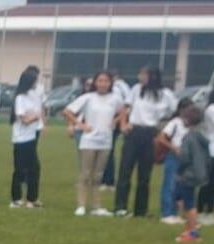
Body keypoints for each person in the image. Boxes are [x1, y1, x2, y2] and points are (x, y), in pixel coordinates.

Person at [114, 66, 176, 219]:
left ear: (152, 76)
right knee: (125, 170)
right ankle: (120, 207)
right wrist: (123, 124)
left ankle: (140, 210)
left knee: (145, 174)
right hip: (134, 131)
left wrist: (163, 128)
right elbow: (125, 107)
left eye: (143, 74)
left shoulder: (165, 94)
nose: (140, 77)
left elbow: (175, 111)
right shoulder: (136, 89)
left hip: (150, 133)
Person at [64, 71, 125, 216]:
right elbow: (67, 111)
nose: (103, 84)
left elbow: (124, 111)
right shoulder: (88, 97)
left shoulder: (115, 98)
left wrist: (115, 122)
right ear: (95, 83)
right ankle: (81, 205)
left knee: (98, 175)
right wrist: (80, 125)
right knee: (85, 173)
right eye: (100, 81)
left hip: (105, 140)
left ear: (110, 83)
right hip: (89, 140)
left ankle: (97, 206)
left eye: (106, 81)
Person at [9, 65, 44, 209]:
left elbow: (37, 112)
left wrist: (37, 119)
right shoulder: (20, 98)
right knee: (20, 169)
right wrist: (35, 117)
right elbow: (23, 119)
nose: (37, 83)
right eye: (35, 80)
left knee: (34, 168)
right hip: (21, 138)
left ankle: (32, 199)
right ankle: (16, 199)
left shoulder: (34, 95)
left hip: (31, 135)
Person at [173, 103, 209, 244]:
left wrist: (180, 169)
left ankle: (193, 232)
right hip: (199, 173)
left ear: (187, 120)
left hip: (188, 174)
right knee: (186, 199)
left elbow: (185, 157)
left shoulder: (188, 138)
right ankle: (189, 227)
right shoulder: (201, 137)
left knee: (188, 203)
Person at [155, 98, 193, 226]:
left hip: (185, 158)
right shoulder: (175, 123)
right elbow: (161, 138)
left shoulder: (191, 125)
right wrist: (174, 148)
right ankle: (167, 213)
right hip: (174, 156)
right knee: (169, 184)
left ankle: (175, 212)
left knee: (179, 186)